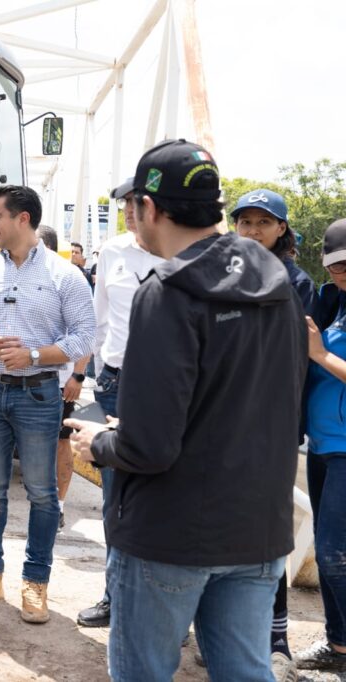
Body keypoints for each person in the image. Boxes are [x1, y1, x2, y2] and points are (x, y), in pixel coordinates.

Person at [66, 139, 308, 681]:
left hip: (171, 534)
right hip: (257, 528)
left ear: (148, 208)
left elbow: (148, 448)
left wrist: (98, 442)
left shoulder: (167, 291)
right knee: (246, 670)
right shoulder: (278, 286)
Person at [0, 185, 94, 624]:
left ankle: (36, 582)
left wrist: (33, 355)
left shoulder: (64, 275)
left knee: (42, 493)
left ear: (23, 219)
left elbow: (83, 336)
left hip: (38, 394)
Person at [232, 187, 316, 680]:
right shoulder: (227, 270)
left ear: (282, 228)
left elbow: (292, 361)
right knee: (229, 526)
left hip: (272, 424)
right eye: (245, 222)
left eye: (263, 223)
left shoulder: (296, 283)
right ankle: (230, 630)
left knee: (267, 529)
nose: (253, 231)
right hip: (228, 423)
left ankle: (276, 636)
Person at [76, 177, 162, 629]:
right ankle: (117, 596)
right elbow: (98, 319)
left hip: (166, 388)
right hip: (114, 384)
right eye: (125, 204)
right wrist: (84, 375)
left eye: (136, 203)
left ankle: (169, 609)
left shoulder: (183, 253)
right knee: (114, 501)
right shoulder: (112, 253)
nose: (129, 211)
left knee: (165, 496)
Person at [294, 218, 346, 673]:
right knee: (329, 555)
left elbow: (322, 360)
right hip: (321, 445)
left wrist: (320, 354)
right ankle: (338, 646)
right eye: (337, 265)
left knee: (334, 553)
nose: (345, 271)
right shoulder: (330, 302)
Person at [35, 223, 91, 532]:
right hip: (25, 379)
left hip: (60, 381)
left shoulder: (71, 279)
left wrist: (78, 376)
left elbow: (87, 334)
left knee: (60, 445)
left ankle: (57, 506)